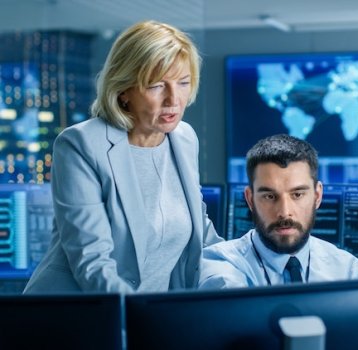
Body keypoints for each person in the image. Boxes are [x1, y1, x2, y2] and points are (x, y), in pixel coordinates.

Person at [24, 20, 223, 294]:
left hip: (151, 315)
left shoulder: (184, 138)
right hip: (77, 316)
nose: (173, 99)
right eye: (156, 86)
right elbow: (93, 263)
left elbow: (202, 237)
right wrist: (143, 320)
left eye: (183, 83)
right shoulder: (81, 144)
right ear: (124, 90)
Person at [198, 134, 358, 289]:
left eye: (297, 194)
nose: (285, 212)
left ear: (317, 195)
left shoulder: (346, 269)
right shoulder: (221, 264)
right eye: (270, 196)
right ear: (250, 199)